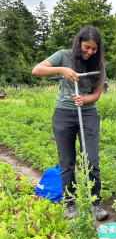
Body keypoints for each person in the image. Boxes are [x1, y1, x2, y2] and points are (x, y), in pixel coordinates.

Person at [32, 26, 109, 221]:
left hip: (88, 114)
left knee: (91, 160)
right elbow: (37, 70)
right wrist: (62, 70)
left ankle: (95, 203)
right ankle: (69, 203)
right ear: (79, 43)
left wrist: (85, 100)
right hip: (64, 114)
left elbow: (97, 94)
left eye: (93, 49)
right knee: (67, 161)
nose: (89, 52)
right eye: (86, 47)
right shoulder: (63, 56)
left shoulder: (97, 65)